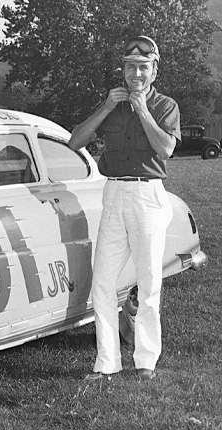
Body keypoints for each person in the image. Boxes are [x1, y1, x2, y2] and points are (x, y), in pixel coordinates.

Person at [68, 35, 180, 381]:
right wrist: (105, 107)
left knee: (148, 281)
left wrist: (143, 110)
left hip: (147, 196)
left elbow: (165, 150)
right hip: (113, 194)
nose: (136, 73)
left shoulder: (165, 106)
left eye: (143, 67)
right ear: (123, 70)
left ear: (154, 71)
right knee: (102, 282)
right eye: (130, 67)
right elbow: (75, 140)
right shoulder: (111, 104)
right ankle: (106, 363)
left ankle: (145, 361)